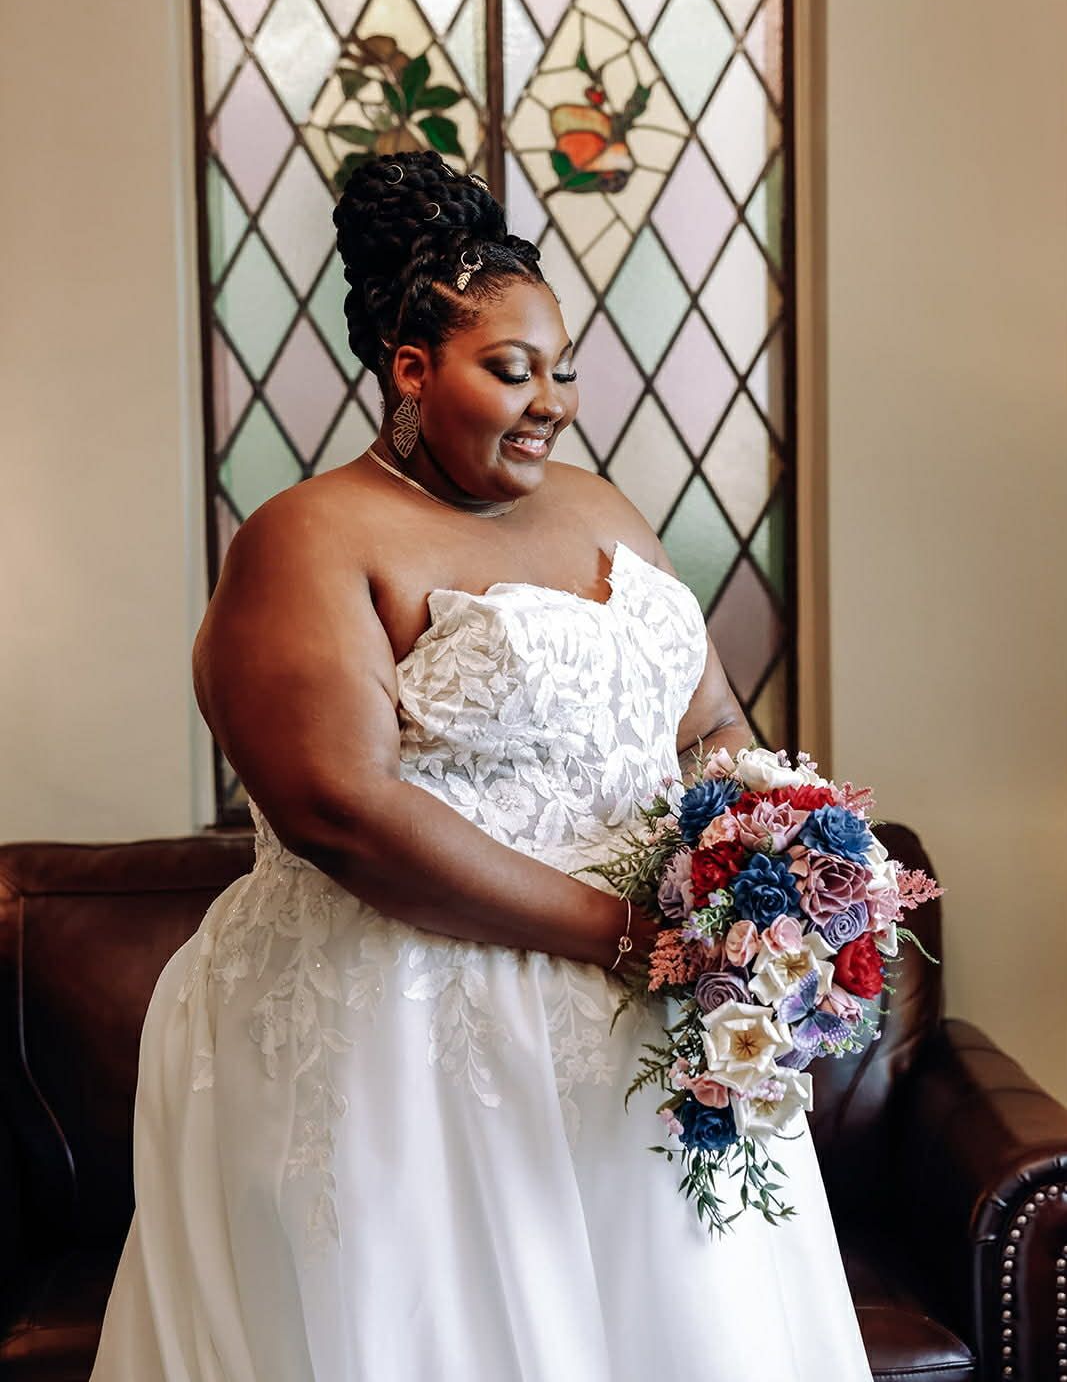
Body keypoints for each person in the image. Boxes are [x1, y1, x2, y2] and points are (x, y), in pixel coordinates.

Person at [90, 151, 873, 1381]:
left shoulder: (602, 507)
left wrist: (766, 862)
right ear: (411, 369)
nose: (550, 400)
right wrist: (624, 935)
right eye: (510, 370)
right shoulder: (307, 536)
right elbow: (340, 810)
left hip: (657, 1028)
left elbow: (710, 717)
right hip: (416, 1039)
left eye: (559, 370)